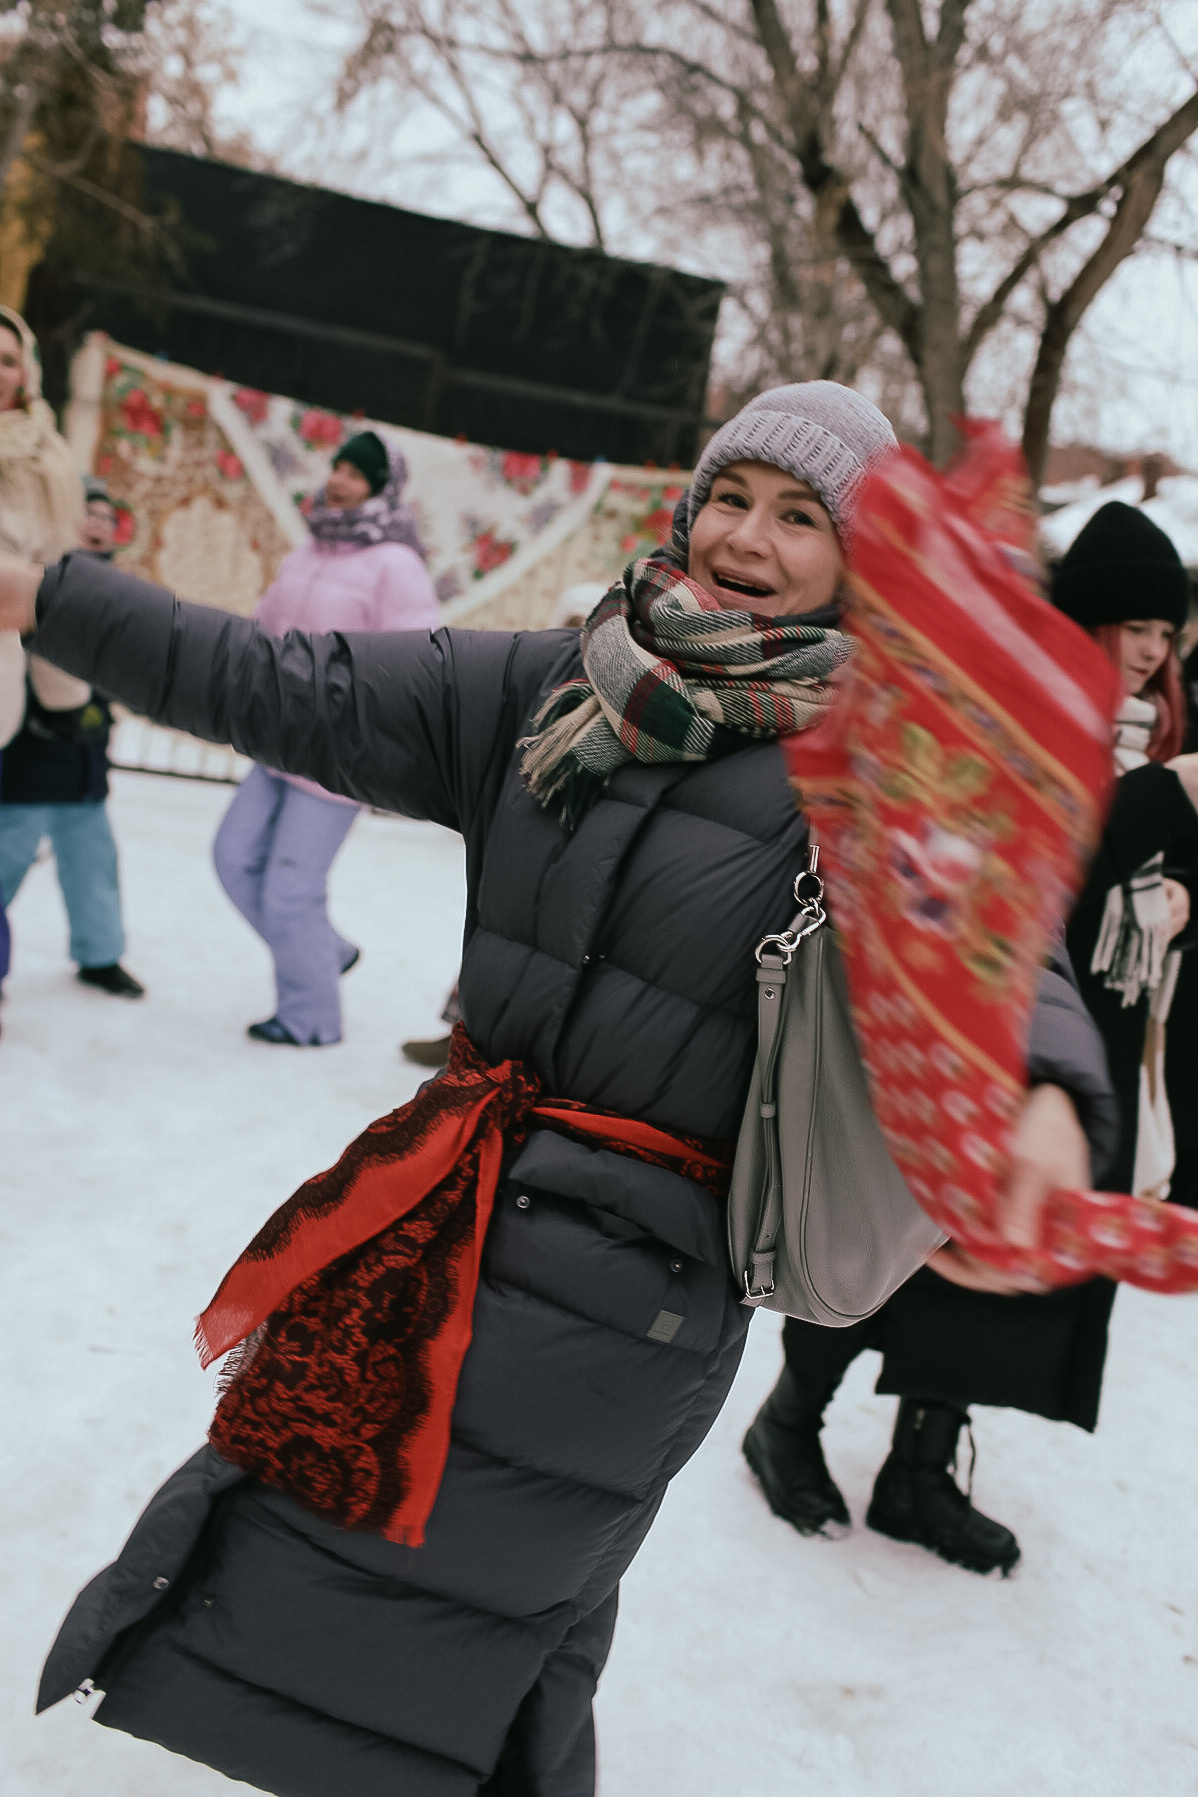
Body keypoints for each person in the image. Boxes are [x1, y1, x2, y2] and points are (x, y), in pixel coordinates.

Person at [9, 383, 1110, 1797]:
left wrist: (1051, 1098)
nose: (750, 539)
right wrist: (49, 594)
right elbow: (283, 682)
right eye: (732, 496)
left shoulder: (885, 770)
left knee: (423, 1643)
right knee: (454, 1657)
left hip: (632, 1306)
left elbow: (1011, 958)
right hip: (433, 1243)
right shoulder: (559, 684)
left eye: (800, 517)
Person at [743, 501, 1198, 1581]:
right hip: (981, 1019)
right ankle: (788, 1420)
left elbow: (1132, 868)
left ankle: (921, 1466)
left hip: (1090, 1031)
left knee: (1011, 1258)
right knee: (905, 1241)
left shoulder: (1159, 734)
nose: (1148, 649)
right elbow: (1035, 847)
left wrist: (1172, 879)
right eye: (1129, 625)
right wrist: (1160, 802)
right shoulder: (1020, 704)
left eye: (1163, 632)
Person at [212, 430, 439, 1045]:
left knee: (290, 888)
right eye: (337, 467)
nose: (339, 480)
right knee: (233, 859)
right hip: (276, 738)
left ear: (381, 490)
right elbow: (266, 627)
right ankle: (324, 951)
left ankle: (310, 1016)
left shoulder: (397, 563)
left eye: (356, 475)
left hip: (337, 753)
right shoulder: (309, 548)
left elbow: (416, 659)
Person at [398, 585, 608, 1069]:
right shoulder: (538, 683)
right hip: (523, 839)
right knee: (494, 937)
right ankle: (462, 1032)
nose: (575, 636)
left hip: (576, 846)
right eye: (569, 622)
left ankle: (503, 1046)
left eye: (584, 623)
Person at [0, 314, 145, 999]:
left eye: (103, 514)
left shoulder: (106, 582)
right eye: (86, 508)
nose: (93, 520)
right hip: (23, 743)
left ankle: (99, 951)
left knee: (92, 860)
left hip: (78, 750)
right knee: (7, 854)